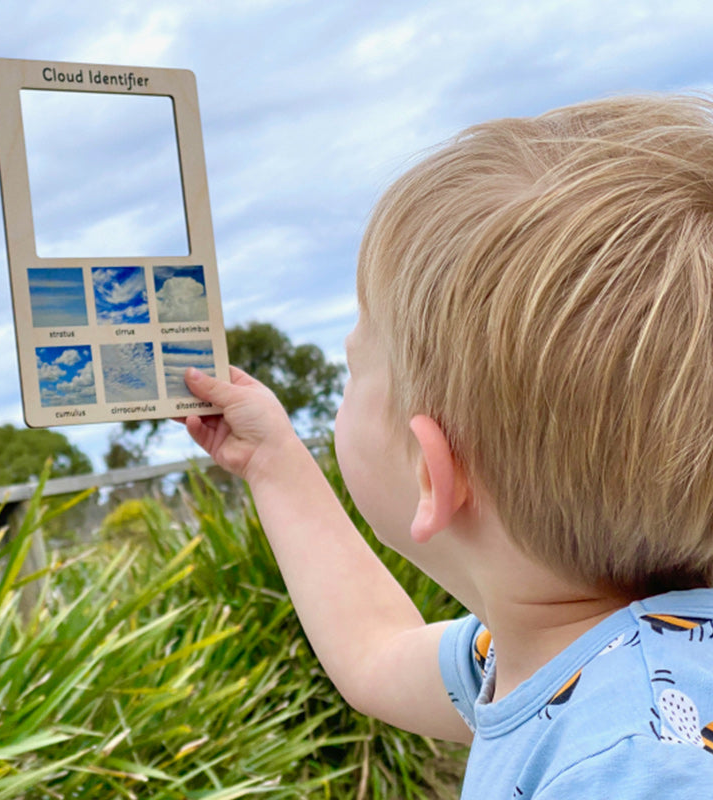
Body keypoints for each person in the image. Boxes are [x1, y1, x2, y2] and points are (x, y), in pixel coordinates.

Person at [180, 93, 713, 798]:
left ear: (434, 473)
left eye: (353, 365)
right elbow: (373, 654)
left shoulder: (637, 765)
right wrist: (273, 462)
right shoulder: (556, 648)